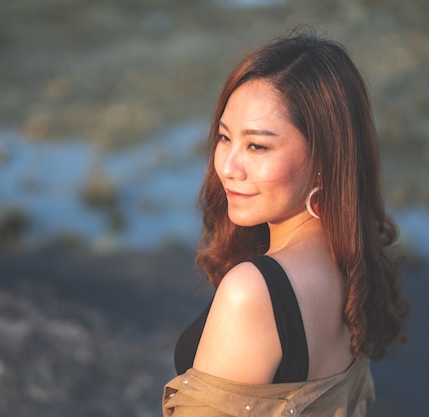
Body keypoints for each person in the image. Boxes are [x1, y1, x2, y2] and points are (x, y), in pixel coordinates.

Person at [162, 26, 409, 417]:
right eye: (225, 138)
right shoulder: (353, 260)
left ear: (325, 159)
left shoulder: (253, 291)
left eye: (258, 146)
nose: (227, 167)